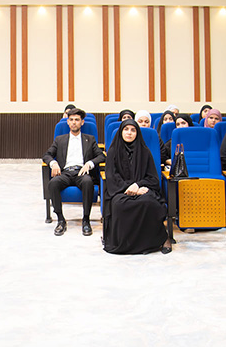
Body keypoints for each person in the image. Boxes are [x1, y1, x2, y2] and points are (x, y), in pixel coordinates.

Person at [102, 119, 170, 255]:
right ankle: (125, 244)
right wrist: (131, 188)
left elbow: (153, 179)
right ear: (121, 132)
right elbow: (112, 178)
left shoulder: (145, 152)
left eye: (133, 130)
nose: (129, 133)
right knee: (120, 205)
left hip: (143, 189)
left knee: (150, 202)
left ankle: (161, 239)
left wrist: (138, 186)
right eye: (126, 129)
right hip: (120, 191)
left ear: (137, 133)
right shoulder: (113, 151)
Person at [43, 108, 104, 237]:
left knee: (88, 182)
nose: (74, 122)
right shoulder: (60, 140)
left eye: (77, 120)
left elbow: (101, 156)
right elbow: (47, 155)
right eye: (71, 120)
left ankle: (86, 220)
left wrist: (89, 164)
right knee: (53, 183)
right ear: (67, 122)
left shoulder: (90, 139)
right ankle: (60, 220)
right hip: (65, 172)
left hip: (81, 172)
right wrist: (53, 163)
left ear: (82, 122)